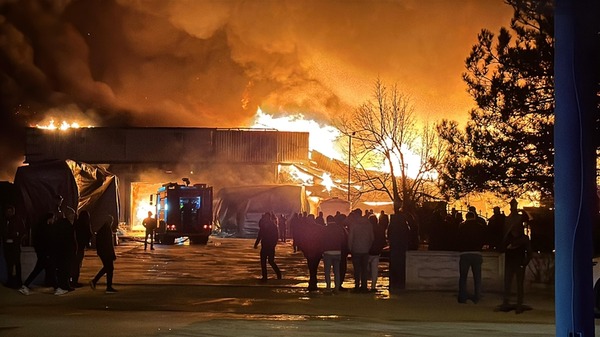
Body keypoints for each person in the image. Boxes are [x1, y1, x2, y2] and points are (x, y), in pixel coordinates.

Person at [497, 199, 532, 314]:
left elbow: (529, 253)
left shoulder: (523, 238)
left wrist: (524, 262)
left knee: (519, 284)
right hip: (510, 261)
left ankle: (519, 304)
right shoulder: (509, 236)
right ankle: (506, 302)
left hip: (519, 261)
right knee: (507, 282)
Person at [19, 213, 54, 295]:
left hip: (42, 254)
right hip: (45, 254)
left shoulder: (41, 228)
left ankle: (25, 285)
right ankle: (57, 287)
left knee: (45, 270)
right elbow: (46, 242)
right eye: (52, 218)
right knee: (45, 270)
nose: (53, 220)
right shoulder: (46, 229)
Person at [456, 211, 486, 303]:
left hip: (465, 253)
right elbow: (484, 239)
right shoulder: (480, 227)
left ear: (466, 217)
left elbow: (458, 239)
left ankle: (462, 297)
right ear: (474, 217)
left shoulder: (462, 227)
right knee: (477, 277)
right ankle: (477, 297)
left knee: (463, 277)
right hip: (477, 253)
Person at [295, 214, 324, 291]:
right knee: (314, 267)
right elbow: (323, 240)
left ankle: (312, 282)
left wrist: (304, 250)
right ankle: (313, 282)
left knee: (311, 267)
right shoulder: (320, 228)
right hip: (317, 252)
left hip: (309, 251)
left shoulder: (305, 229)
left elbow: (301, 241)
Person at [52, 206, 77, 295]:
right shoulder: (67, 225)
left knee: (64, 268)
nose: (74, 216)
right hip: (66, 250)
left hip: (63, 250)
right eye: (72, 214)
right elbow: (69, 239)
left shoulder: (64, 224)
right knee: (65, 268)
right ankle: (64, 285)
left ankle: (65, 285)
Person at [347, 209, 373, 292]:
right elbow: (372, 238)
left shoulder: (353, 224)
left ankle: (357, 286)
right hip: (365, 250)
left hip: (356, 249)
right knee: (364, 269)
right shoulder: (368, 224)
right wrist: (368, 246)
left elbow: (350, 238)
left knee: (357, 269)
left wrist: (350, 248)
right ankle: (364, 286)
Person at [90, 215, 118, 293]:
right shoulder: (107, 229)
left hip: (103, 252)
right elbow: (109, 244)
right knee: (109, 268)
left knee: (107, 268)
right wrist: (112, 254)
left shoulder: (102, 229)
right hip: (106, 253)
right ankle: (107, 287)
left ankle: (96, 281)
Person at [1, 205, 25, 289]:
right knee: (9, 264)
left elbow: (22, 231)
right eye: (7, 211)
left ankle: (18, 281)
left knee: (17, 263)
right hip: (7, 245)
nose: (9, 213)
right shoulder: (4, 220)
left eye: (10, 211)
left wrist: (17, 237)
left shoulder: (17, 220)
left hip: (15, 245)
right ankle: (10, 281)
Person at [321, 215, 347, 292]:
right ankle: (336, 287)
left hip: (327, 252)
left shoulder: (324, 229)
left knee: (327, 271)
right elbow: (343, 240)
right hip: (338, 252)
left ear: (327, 221)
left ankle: (328, 287)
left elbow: (321, 240)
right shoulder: (339, 229)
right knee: (337, 271)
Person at [253, 212, 281, 282]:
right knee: (264, 261)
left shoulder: (272, 226)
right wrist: (256, 244)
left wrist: (273, 245)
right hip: (265, 245)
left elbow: (276, 236)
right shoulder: (264, 225)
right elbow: (260, 235)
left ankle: (278, 274)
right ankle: (265, 277)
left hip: (270, 246)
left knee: (270, 261)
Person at [387, 208, 409, 291]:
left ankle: (393, 281)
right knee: (401, 265)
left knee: (394, 265)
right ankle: (400, 282)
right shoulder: (404, 225)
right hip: (401, 247)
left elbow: (389, 235)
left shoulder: (392, 225)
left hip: (394, 247)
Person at [72, 210, 92, 287]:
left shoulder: (76, 223)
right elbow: (89, 234)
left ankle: (72, 280)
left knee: (75, 264)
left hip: (75, 246)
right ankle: (74, 281)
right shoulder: (85, 224)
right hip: (80, 247)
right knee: (77, 264)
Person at [368, 213, 386, 292]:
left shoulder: (368, 228)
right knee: (375, 269)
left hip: (368, 250)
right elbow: (383, 240)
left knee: (365, 268)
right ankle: (373, 286)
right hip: (376, 251)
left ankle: (364, 285)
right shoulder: (381, 229)